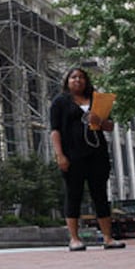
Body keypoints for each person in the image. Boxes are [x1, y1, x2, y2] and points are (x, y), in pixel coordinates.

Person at [50, 68, 125, 251]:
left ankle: (108, 237)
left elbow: (110, 126)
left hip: (97, 154)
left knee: (100, 194)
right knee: (73, 194)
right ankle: (74, 238)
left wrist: (99, 120)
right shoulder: (60, 102)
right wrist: (60, 155)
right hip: (72, 155)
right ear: (67, 81)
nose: (78, 80)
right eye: (73, 77)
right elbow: (55, 130)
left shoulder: (96, 99)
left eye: (81, 77)